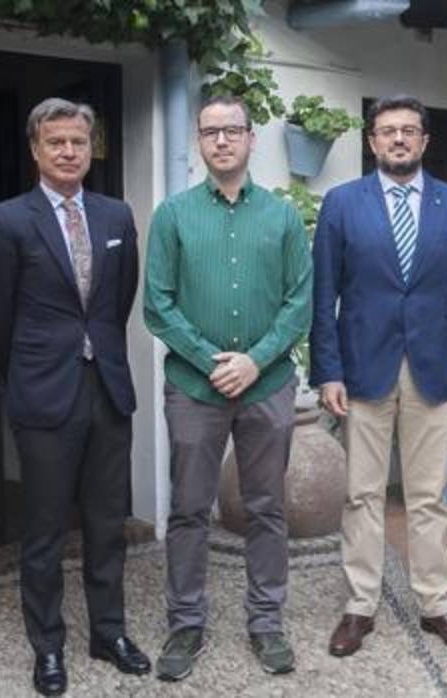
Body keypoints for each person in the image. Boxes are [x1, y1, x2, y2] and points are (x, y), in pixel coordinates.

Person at [0, 97, 149, 697]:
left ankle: (109, 633)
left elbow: (117, 302)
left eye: (78, 141)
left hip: (106, 390)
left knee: (107, 525)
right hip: (44, 394)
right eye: (57, 143)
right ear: (36, 150)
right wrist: (28, 367)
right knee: (45, 531)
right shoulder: (9, 220)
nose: (69, 152)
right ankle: (47, 647)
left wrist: (91, 348)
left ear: (90, 146)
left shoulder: (115, 216)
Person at [310, 94, 447, 658]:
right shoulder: (342, 204)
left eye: (408, 131)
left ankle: (437, 604)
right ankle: (360, 605)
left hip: (434, 371)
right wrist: (328, 371)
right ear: (371, 141)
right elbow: (324, 297)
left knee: (428, 496)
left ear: (424, 141)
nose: (397, 139)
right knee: (361, 493)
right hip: (363, 370)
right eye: (387, 131)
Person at [143, 94, 312, 680]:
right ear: (199, 140)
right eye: (210, 131)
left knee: (267, 509)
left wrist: (255, 361)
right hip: (194, 388)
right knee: (189, 508)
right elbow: (157, 306)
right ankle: (185, 622)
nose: (221, 140)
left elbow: (299, 304)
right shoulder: (173, 215)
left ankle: (266, 622)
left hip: (268, 387)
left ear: (250, 139)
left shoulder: (283, 216)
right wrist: (214, 362)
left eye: (231, 130)